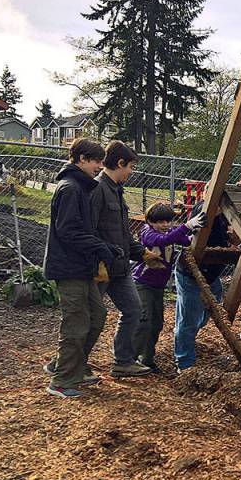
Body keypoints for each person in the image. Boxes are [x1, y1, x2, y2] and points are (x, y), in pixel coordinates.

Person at [43, 139, 121, 398]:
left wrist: (107, 246)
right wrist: (100, 248)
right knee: (76, 323)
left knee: (97, 317)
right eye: (96, 162)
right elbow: (68, 232)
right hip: (69, 267)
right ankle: (62, 381)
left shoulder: (81, 187)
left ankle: (68, 367)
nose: (99, 167)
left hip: (82, 267)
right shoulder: (71, 189)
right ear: (82, 159)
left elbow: (84, 229)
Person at [85, 141, 152, 378]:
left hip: (120, 267)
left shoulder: (116, 190)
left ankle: (123, 361)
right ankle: (73, 363)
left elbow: (122, 234)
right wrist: (97, 262)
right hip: (102, 268)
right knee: (91, 319)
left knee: (134, 310)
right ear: (120, 163)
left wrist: (142, 253)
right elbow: (89, 231)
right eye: (131, 166)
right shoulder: (97, 189)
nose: (131, 172)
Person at [132, 202, 205, 373]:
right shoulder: (147, 233)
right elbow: (162, 241)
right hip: (142, 284)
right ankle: (129, 358)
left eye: (168, 222)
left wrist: (195, 233)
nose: (165, 225)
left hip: (158, 287)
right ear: (150, 221)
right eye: (160, 222)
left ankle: (147, 360)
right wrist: (187, 225)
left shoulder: (170, 233)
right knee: (144, 321)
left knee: (156, 324)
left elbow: (186, 240)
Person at [173, 200, 232, 372]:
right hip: (191, 274)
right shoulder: (204, 208)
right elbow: (209, 212)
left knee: (209, 311)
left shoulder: (226, 215)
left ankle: (187, 338)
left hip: (211, 276)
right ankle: (184, 364)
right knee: (187, 321)